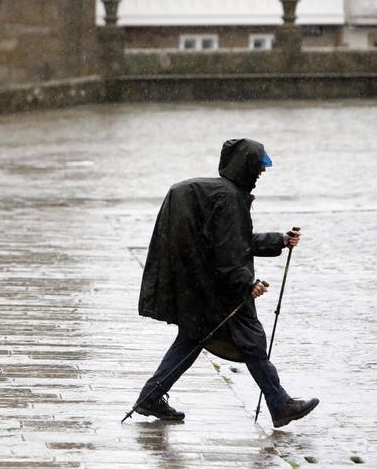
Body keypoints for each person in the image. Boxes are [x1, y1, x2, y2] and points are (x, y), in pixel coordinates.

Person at [130, 138, 318, 429]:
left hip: (204, 285)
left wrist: (279, 240)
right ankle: (280, 404)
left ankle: (151, 397)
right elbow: (228, 251)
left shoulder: (225, 194)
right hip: (223, 290)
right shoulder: (230, 198)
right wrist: (246, 285)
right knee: (251, 341)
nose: (261, 173)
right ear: (247, 167)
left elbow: (238, 242)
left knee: (192, 339)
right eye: (258, 168)